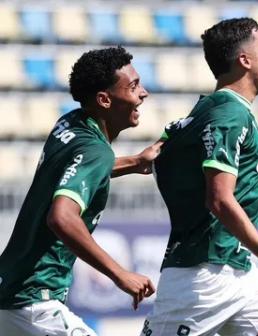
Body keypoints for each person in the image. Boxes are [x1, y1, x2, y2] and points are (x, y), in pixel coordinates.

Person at [140, 18, 258, 336]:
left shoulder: (203, 111)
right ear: (245, 60)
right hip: (202, 276)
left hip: (239, 267)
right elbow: (219, 199)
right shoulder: (228, 114)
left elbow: (156, 156)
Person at [0, 46, 157, 336]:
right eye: (134, 86)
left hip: (10, 289)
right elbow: (61, 218)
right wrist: (120, 274)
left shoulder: (69, 123)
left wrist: (135, 162)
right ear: (104, 100)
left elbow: (76, 168)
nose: (143, 93)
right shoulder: (96, 151)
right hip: (34, 302)